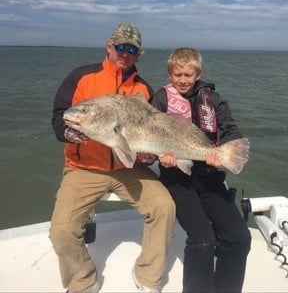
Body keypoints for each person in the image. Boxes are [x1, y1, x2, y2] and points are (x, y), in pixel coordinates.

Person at [50, 23, 176, 293]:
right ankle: (83, 280)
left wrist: (148, 156)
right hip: (84, 167)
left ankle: (148, 276)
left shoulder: (143, 88)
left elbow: (151, 132)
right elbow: (60, 115)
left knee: (164, 207)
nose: (125, 53)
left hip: (127, 167)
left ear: (138, 54)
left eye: (132, 49)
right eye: (120, 46)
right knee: (62, 230)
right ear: (109, 45)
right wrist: (69, 133)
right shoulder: (82, 77)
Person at [150, 48, 251, 293]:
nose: (182, 80)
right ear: (169, 73)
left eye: (188, 74)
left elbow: (231, 131)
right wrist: (160, 156)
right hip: (177, 179)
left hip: (209, 178)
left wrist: (223, 155)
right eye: (177, 74)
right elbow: (149, 135)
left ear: (198, 74)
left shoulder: (213, 100)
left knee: (239, 238)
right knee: (203, 240)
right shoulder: (160, 100)